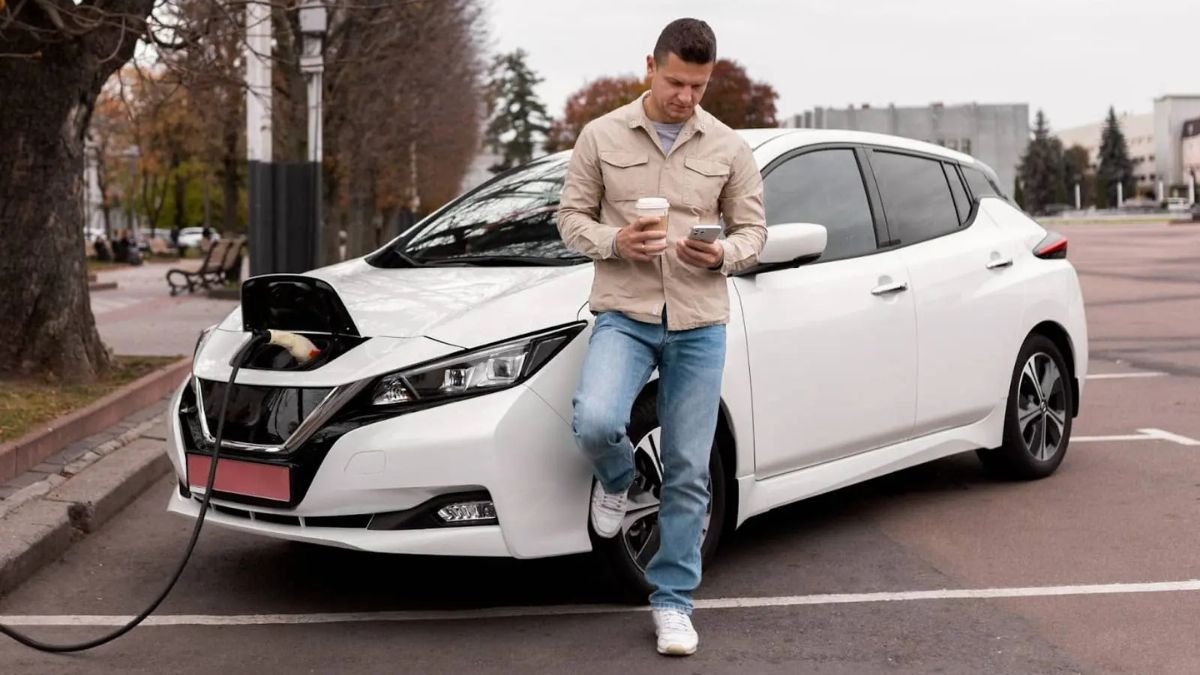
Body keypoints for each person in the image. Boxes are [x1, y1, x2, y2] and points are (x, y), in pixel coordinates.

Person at [555, 17, 766, 657]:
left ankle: (673, 603)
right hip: (625, 310)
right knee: (594, 420)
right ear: (651, 65)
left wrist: (722, 254)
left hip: (700, 322)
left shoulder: (729, 147)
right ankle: (617, 478)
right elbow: (568, 218)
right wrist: (613, 241)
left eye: (698, 86)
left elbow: (754, 234)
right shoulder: (600, 135)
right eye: (676, 81)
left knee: (689, 468)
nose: (686, 97)